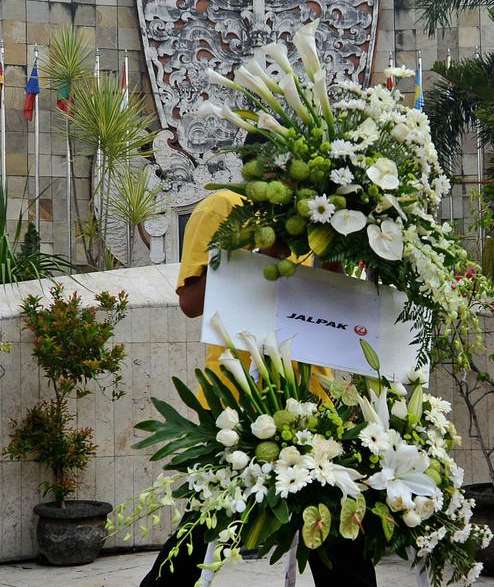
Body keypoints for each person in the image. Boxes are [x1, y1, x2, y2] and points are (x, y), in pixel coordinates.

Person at [139, 185, 378, 586]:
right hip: (238, 405)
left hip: (314, 404)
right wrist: (268, 249)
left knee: (337, 534)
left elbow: (332, 299)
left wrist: (331, 245)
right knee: (202, 530)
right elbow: (190, 301)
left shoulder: (318, 221)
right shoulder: (221, 207)